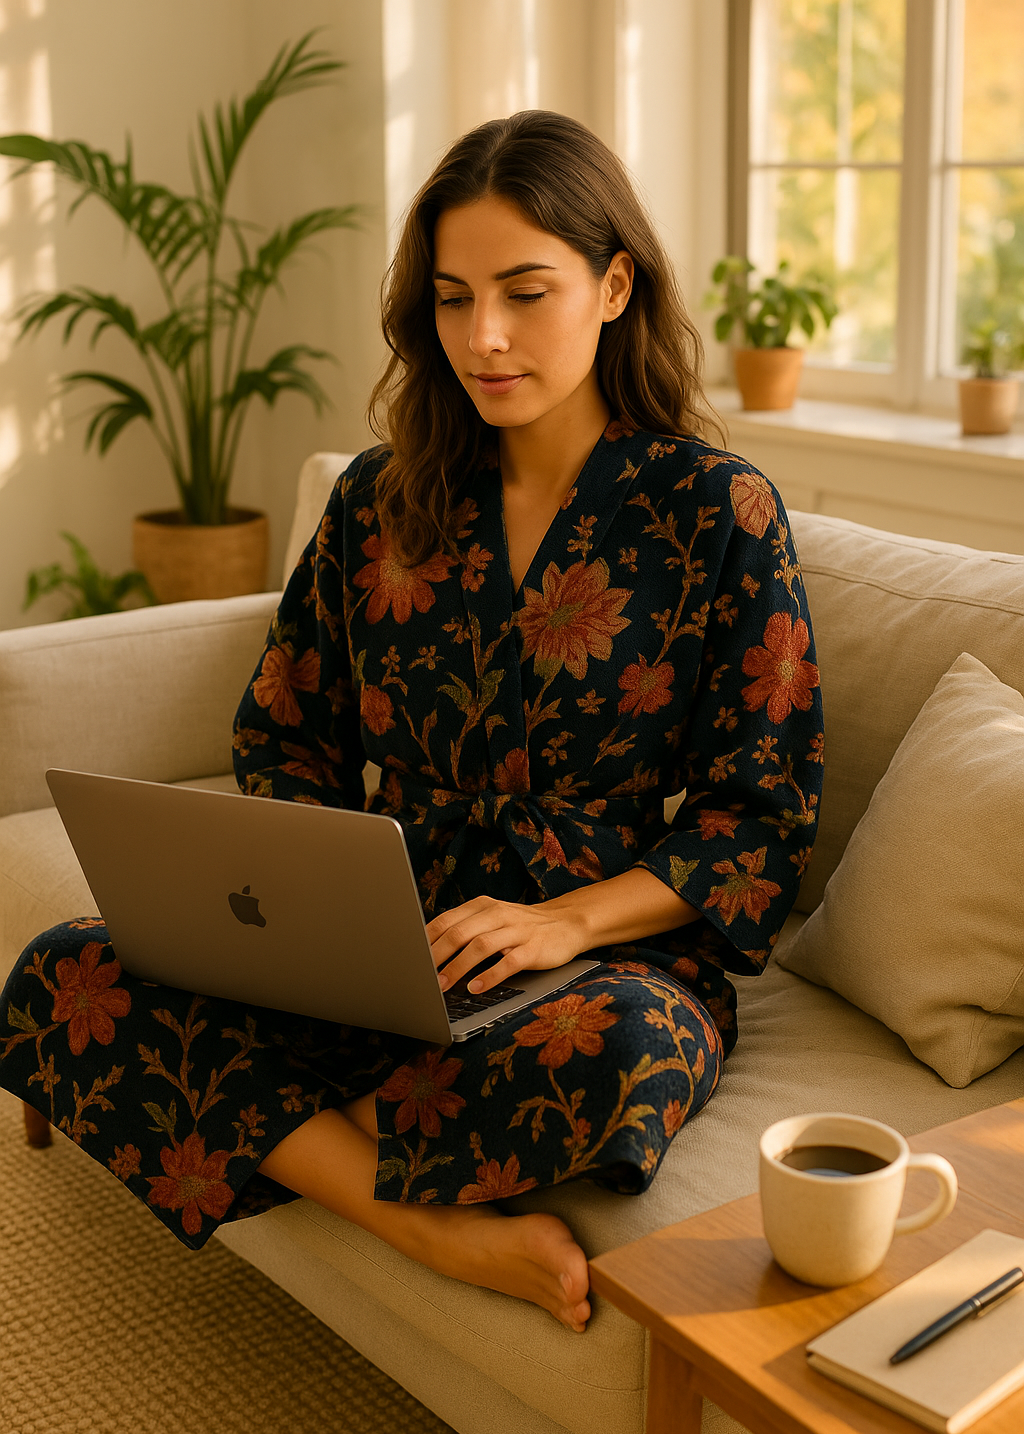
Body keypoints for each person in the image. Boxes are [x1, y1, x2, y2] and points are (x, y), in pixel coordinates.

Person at [0, 111, 823, 1334]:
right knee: (68, 969)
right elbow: (283, 733)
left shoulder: (712, 512)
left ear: (611, 285)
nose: (481, 338)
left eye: (524, 292)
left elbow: (758, 815)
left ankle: (304, 1131)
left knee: (615, 1054)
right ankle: (427, 1227)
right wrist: (310, 906)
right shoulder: (379, 500)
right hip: (383, 925)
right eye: (450, 298)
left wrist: (561, 923)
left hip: (597, 944)